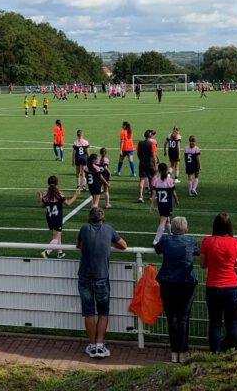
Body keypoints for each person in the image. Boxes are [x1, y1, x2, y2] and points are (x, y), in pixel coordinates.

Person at [76, 207, 128, 359]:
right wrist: (110, 245)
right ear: (102, 218)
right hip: (101, 277)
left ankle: (92, 345)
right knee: (103, 311)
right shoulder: (108, 229)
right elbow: (124, 245)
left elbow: (78, 245)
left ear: (89, 219)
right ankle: (99, 344)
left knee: (89, 312)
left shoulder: (84, 229)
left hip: (84, 276)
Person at [200, 212, 237, 352]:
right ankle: (232, 351)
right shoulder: (236, 243)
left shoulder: (207, 242)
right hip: (232, 287)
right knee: (232, 323)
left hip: (213, 287)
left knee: (215, 323)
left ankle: (215, 352)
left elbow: (202, 264)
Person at [155, 216, 200, 363]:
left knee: (172, 318)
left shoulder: (166, 240)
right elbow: (199, 251)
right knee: (183, 318)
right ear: (185, 228)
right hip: (186, 284)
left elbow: (157, 248)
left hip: (168, 283)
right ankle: (183, 351)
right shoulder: (190, 240)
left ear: (172, 228)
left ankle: (175, 352)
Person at [40, 175, 81, 259]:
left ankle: (60, 252)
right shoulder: (59, 194)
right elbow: (68, 203)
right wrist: (76, 195)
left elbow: (42, 205)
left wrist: (40, 196)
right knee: (56, 238)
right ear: (57, 183)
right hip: (57, 218)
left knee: (58, 235)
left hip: (50, 218)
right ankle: (46, 252)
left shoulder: (46, 194)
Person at [149, 162, 178, 245]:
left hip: (160, 204)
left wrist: (151, 205)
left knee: (167, 220)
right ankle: (156, 239)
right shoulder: (169, 180)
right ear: (166, 170)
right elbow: (173, 193)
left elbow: (154, 194)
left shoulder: (156, 181)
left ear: (159, 170)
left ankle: (170, 235)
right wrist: (176, 200)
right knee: (163, 221)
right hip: (167, 204)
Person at [136, 130, 157, 202]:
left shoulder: (140, 143)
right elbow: (154, 156)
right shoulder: (152, 144)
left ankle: (140, 196)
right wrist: (156, 165)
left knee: (142, 180)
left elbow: (138, 153)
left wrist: (141, 159)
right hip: (150, 164)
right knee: (151, 180)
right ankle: (152, 195)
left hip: (142, 163)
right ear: (150, 136)